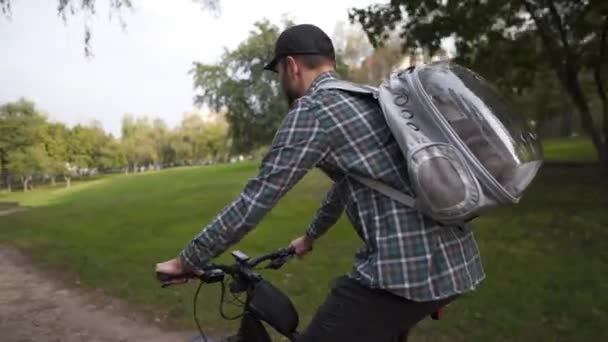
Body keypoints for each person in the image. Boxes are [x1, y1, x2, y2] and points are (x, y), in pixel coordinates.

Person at [155, 24, 485, 341]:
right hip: (453, 258)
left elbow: (255, 201)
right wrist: (311, 235)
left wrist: (189, 260)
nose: (281, 80)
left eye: (279, 73)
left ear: (291, 66)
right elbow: (348, 182)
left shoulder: (313, 111)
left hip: (405, 271)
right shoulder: (367, 98)